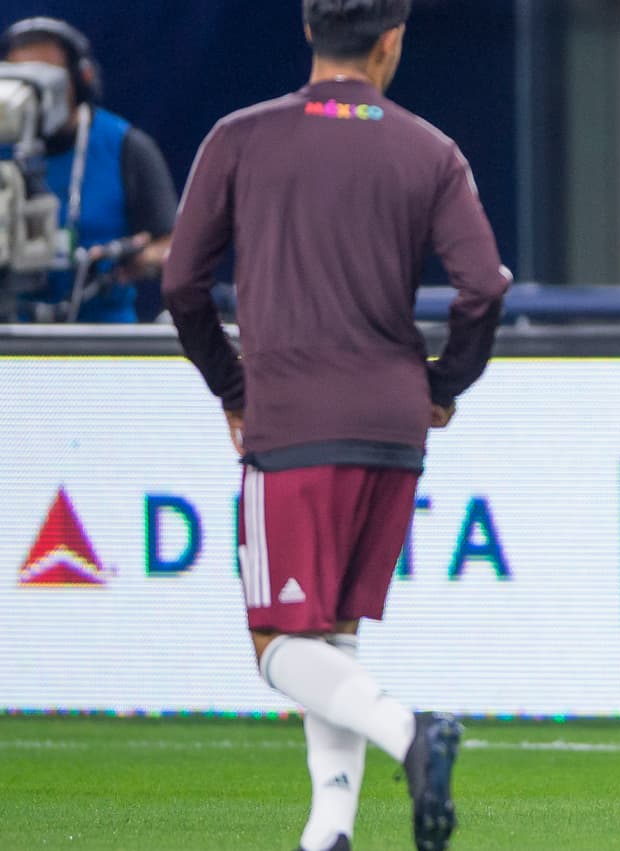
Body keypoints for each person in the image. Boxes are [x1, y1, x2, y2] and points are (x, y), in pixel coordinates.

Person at [161, 1, 510, 849]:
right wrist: (443, 383)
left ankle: (409, 734)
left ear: (309, 34)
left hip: (292, 420)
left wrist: (233, 387)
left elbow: (181, 283)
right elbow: (485, 286)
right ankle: (330, 827)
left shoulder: (241, 137)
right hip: (393, 426)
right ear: (391, 42)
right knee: (329, 633)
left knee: (280, 645)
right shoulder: (430, 149)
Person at [2, 16, 176, 322]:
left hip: (102, 339)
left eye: (44, 79)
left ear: (82, 81)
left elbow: (173, 244)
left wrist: (134, 259)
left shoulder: (126, 146)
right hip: (11, 335)